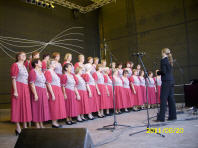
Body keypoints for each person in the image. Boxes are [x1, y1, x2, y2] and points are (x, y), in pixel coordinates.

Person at [10, 52, 32, 135]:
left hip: (25, 87)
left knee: (25, 107)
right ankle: (18, 127)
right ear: (18, 57)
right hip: (18, 87)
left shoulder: (24, 66)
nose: (24, 56)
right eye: (22, 55)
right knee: (17, 107)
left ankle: (25, 127)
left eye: (25, 55)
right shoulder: (15, 65)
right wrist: (15, 91)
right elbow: (13, 79)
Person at [45, 59, 67, 128]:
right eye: (54, 63)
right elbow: (48, 83)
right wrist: (52, 94)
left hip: (57, 89)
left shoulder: (53, 71)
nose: (55, 64)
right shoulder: (48, 71)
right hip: (53, 89)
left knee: (57, 106)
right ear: (50, 64)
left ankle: (55, 121)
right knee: (54, 106)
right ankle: (54, 123)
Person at [156, 48, 176, 122]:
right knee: (171, 99)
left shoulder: (163, 60)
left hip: (166, 82)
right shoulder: (169, 60)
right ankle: (173, 116)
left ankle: (161, 118)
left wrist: (158, 72)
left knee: (163, 99)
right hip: (171, 81)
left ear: (163, 52)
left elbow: (163, 72)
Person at [29, 59, 50, 128]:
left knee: (42, 107)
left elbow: (44, 83)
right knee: (37, 107)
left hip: (43, 90)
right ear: (36, 64)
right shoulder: (33, 71)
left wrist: (46, 92)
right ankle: (37, 124)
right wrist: (35, 94)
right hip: (37, 90)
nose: (41, 63)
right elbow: (32, 83)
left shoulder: (41, 71)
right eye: (40, 62)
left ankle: (41, 123)